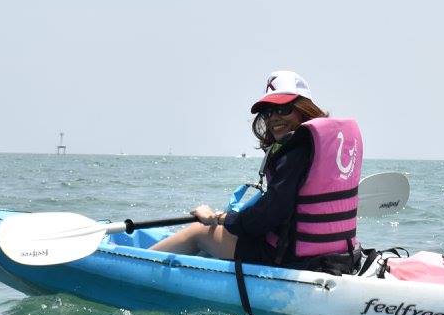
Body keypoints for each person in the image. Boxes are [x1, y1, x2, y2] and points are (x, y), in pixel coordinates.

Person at [150, 70, 364, 273]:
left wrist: (221, 219)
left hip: (290, 258)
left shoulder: (294, 153)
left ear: (303, 109)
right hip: (338, 256)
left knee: (197, 232)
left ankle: (131, 262)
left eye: (283, 109)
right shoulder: (327, 146)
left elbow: (267, 218)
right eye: (268, 112)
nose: (273, 119)